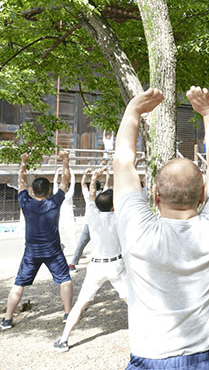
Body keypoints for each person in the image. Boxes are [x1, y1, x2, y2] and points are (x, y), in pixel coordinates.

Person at [113, 87, 209, 369]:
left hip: (151, 359)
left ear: (155, 197)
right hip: (208, 359)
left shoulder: (138, 232)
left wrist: (133, 110)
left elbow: (123, 164)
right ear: (202, 196)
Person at [53, 169, 128, 352]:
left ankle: (64, 339)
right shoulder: (119, 217)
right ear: (113, 206)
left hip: (96, 265)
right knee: (132, 302)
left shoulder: (92, 215)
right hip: (116, 265)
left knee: (81, 303)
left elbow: (92, 194)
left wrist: (94, 177)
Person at [2, 151, 73, 331]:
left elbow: (21, 183)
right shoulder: (54, 202)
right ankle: (67, 314)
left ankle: (7, 320)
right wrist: (66, 161)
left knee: (19, 284)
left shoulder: (26, 202)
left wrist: (23, 163)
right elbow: (65, 182)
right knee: (65, 280)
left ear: (33, 191)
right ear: (50, 190)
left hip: (31, 253)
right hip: (53, 251)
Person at [70, 167, 110, 271]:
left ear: (90, 188)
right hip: (101, 223)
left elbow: (83, 183)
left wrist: (85, 173)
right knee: (103, 243)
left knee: (81, 244)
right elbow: (107, 183)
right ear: (100, 187)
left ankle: (72, 264)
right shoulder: (102, 195)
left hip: (89, 223)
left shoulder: (88, 195)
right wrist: (107, 173)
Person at [53, 167, 76, 253]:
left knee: (58, 235)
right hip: (68, 217)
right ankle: (76, 251)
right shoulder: (68, 195)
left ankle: (60, 247)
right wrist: (72, 172)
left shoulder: (57, 195)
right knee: (72, 236)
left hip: (60, 217)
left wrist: (57, 172)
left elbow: (55, 183)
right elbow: (73, 183)